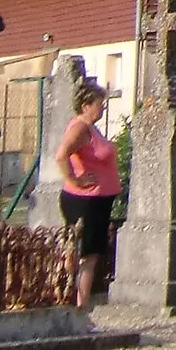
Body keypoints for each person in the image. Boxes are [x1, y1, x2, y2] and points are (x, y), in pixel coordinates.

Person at [56, 79, 120, 310]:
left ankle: (76, 304)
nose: (101, 108)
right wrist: (74, 179)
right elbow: (61, 155)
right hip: (86, 200)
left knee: (87, 254)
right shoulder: (80, 128)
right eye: (98, 104)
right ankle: (79, 307)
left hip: (98, 200)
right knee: (86, 255)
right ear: (85, 105)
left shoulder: (90, 128)